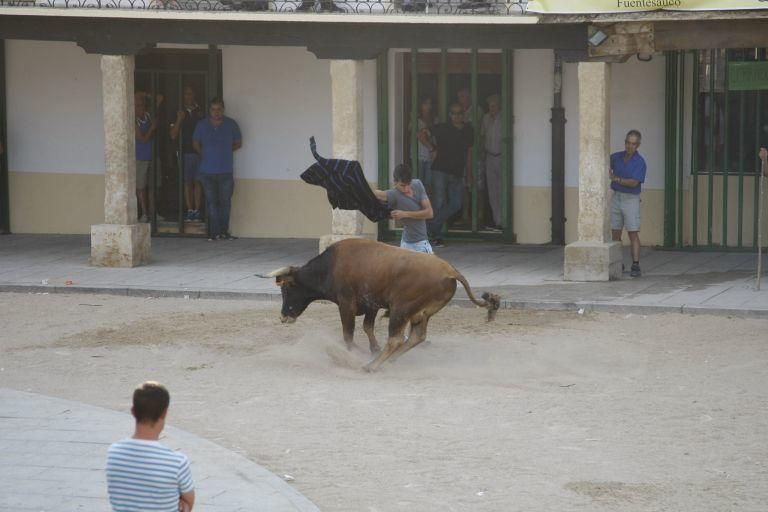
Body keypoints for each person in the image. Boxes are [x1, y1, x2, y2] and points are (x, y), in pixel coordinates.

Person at [106, 381, 195, 512]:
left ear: (133, 411)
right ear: (165, 413)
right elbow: (188, 504)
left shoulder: (114, 453)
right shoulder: (176, 462)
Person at [193, 98, 242, 241]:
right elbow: (195, 143)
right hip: (207, 172)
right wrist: (204, 154)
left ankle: (224, 232)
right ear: (209, 110)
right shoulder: (202, 125)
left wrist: (225, 151)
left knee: (225, 202)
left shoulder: (231, 124)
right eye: (213, 109)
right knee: (212, 202)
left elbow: (238, 142)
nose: (216, 112)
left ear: (223, 109)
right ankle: (214, 233)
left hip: (225, 171)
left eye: (219, 109)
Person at [427, 102, 474, 247]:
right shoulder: (442, 127)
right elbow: (421, 134)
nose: (457, 115)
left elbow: (469, 152)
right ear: (450, 115)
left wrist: (469, 172)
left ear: (463, 114)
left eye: (460, 112)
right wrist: (432, 148)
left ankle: (430, 227)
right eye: (454, 113)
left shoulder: (468, 129)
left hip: (457, 172)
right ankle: (435, 234)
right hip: (440, 169)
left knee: (456, 204)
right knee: (439, 202)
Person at [610, 129, 647, 278]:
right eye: (627, 142)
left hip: (631, 198)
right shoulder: (616, 157)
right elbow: (602, 160)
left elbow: (633, 182)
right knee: (615, 232)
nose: (629, 146)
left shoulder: (640, 162)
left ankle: (636, 264)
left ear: (638, 145)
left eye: (633, 144)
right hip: (617, 196)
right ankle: (617, 262)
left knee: (632, 232)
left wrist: (615, 178)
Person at [373, 163, 434, 254]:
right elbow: (378, 193)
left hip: (421, 243)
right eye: (402, 185)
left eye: (408, 184)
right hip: (406, 245)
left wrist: (404, 214)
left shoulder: (417, 184)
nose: (406, 189)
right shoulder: (394, 194)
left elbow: (429, 213)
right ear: (395, 182)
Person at [170, 86, 205, 222]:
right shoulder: (178, 111)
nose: (188, 96)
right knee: (187, 182)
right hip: (185, 152)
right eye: (186, 94)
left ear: (194, 94)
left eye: (190, 93)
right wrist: (179, 119)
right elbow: (173, 135)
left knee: (198, 182)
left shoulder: (201, 111)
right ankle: (190, 210)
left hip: (199, 152)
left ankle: (197, 210)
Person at [480, 94, 503, 231]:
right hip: (489, 156)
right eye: (489, 106)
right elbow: (482, 136)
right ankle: (497, 221)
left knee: (502, 190)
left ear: (499, 105)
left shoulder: (504, 117)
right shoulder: (486, 118)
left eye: (494, 105)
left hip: (502, 157)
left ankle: (504, 221)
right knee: (493, 191)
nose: (491, 108)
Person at [135, 92, 156, 223]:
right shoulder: (133, 121)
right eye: (137, 105)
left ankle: (154, 212)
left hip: (152, 156)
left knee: (153, 186)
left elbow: (158, 97)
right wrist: (152, 128)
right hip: (140, 158)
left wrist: (143, 94)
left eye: (142, 105)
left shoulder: (148, 116)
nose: (140, 107)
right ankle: (144, 213)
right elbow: (142, 139)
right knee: (141, 187)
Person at [416, 96, 437, 195]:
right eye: (425, 103)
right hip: (419, 155)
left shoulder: (435, 119)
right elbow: (419, 136)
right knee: (418, 184)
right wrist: (431, 148)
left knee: (429, 185)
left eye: (430, 104)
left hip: (431, 157)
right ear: (420, 105)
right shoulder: (415, 119)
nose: (428, 106)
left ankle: (426, 207)